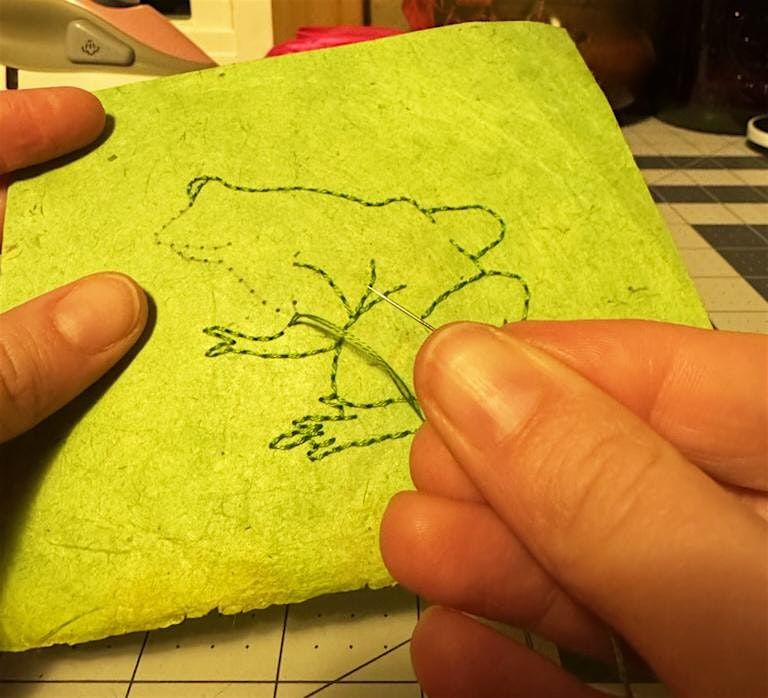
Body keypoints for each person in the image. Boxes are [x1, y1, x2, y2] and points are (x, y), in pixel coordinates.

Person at [1, 88, 766, 697]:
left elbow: (318, 313)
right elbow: (303, 314)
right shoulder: (266, 239)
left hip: (416, 291)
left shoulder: (294, 246)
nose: (183, 241)